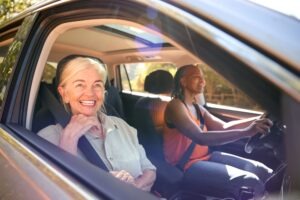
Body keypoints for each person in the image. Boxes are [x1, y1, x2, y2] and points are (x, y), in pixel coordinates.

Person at [38, 55, 156, 192]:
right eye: (80, 85)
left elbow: (150, 170)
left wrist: (134, 186)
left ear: (104, 92)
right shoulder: (48, 137)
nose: (90, 93)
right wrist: (68, 141)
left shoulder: (123, 126)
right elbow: (53, 191)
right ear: (64, 93)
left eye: (97, 85)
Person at [163, 64, 273, 198]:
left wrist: (257, 119)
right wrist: (246, 132)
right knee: (250, 182)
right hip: (185, 165)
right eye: (197, 77)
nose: (203, 81)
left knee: (261, 169)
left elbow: (223, 127)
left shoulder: (197, 107)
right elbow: (200, 137)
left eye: (203, 78)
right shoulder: (175, 106)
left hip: (207, 157)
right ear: (183, 81)